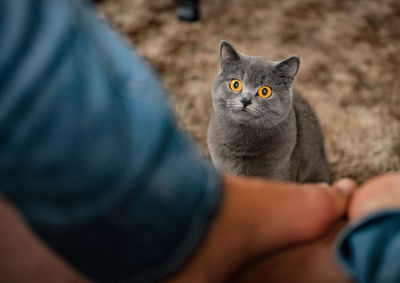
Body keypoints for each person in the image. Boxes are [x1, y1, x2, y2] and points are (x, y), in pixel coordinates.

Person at [0, 1, 399, 282]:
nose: (244, 97)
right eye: (238, 84)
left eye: (261, 93)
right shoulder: (226, 103)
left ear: (282, 89)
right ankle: (230, 208)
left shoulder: (287, 125)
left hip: (292, 173)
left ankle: (222, 218)